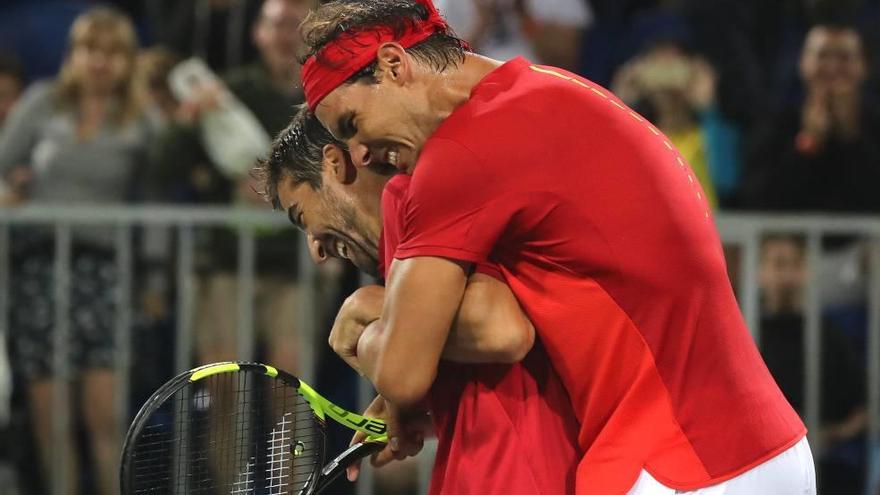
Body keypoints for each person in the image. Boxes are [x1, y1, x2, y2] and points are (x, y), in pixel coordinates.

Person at [279, 1, 813, 493]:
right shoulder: (550, 90)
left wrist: (363, 318)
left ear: (395, 65)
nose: (361, 155)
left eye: (352, 124)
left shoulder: (462, 153)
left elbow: (403, 371)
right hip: (764, 447)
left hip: (678, 465)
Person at [259, 108, 580, 493]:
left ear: (333, 164)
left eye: (302, 215)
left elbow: (502, 332)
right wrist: (413, 403)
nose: (316, 250)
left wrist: (372, 311)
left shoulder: (414, 194)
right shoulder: (406, 232)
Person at [0, 8, 151, 495]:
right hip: (39, 267)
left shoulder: (141, 117)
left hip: (104, 271)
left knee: (104, 418)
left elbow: (161, 193)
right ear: (73, 55)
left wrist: (156, 281)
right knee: (51, 422)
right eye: (90, 49)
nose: (100, 62)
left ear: (127, 61)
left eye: (112, 52)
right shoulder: (43, 102)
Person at [758, 234, 868, 495]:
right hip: (763, 460)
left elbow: (863, 406)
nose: (787, 275)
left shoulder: (830, 335)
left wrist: (832, 434)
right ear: (760, 271)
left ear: (807, 271)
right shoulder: (745, 334)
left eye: (795, 264)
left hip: (828, 459)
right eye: (778, 263)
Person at [743, 23, 880, 212]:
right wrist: (808, 143)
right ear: (803, 63)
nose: (832, 67)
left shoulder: (874, 123)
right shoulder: (777, 121)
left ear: (863, 66)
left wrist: (852, 137)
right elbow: (758, 198)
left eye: (844, 57)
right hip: (793, 238)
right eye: (822, 56)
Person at [611, 39, 740, 209]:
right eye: (658, 64)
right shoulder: (638, 139)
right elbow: (613, 178)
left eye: (675, 64)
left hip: (701, 229)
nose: (667, 73)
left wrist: (709, 110)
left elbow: (726, 181)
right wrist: (618, 104)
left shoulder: (707, 135)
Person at [434, 0, 593, 71]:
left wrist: (522, 13)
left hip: (536, 83)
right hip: (477, 90)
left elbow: (566, 58)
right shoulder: (445, 4)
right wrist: (483, 23)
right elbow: (445, 69)